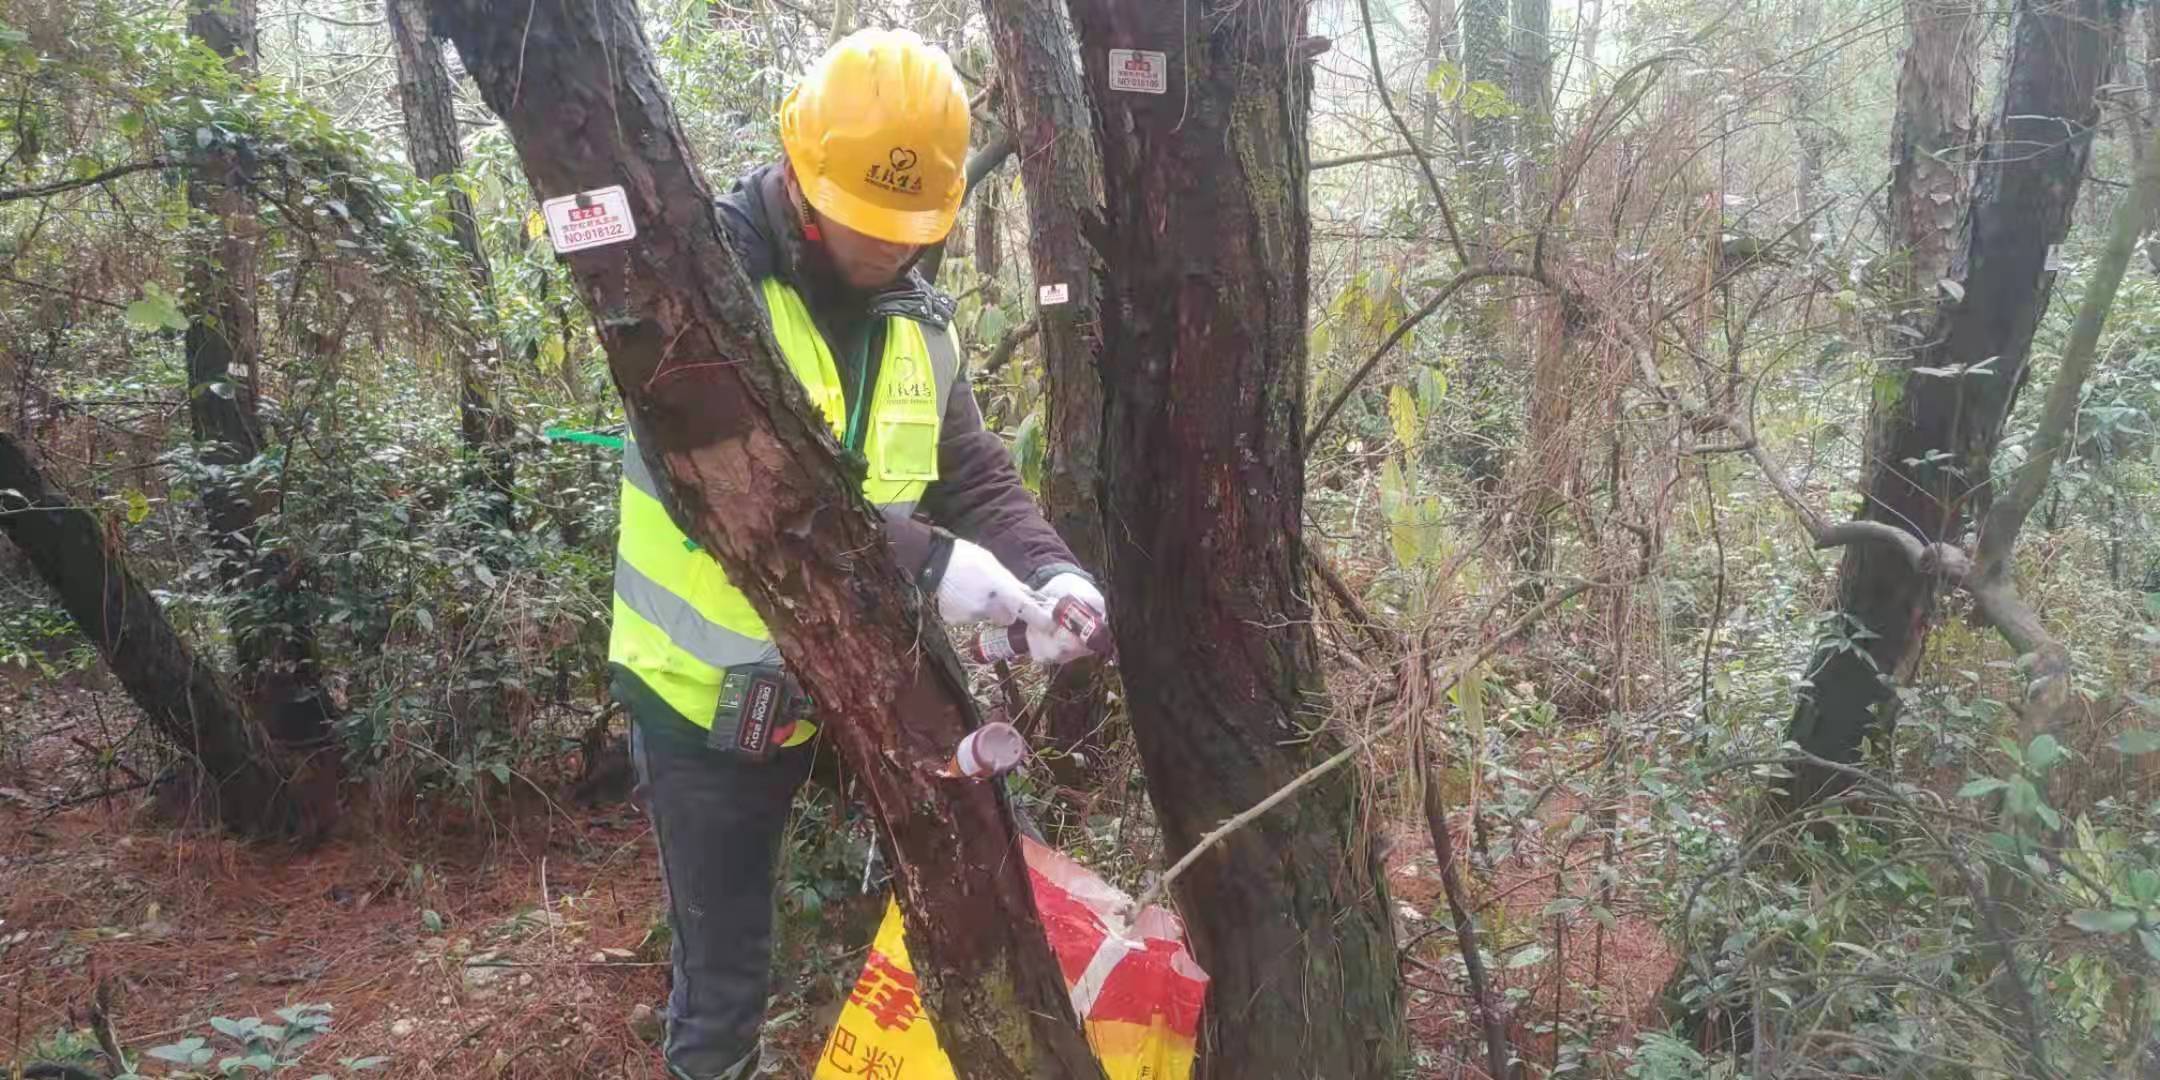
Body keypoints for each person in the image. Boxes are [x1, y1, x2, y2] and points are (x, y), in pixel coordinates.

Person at [607, 28, 1109, 1080]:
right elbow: (740, 487)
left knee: (967, 880)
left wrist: (1050, 570)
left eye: (910, 230)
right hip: (707, 703)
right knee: (728, 979)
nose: (892, 249)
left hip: (862, 674)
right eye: (870, 226)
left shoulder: (916, 316)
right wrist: (927, 563)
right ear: (800, 171)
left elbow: (971, 471)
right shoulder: (704, 289)